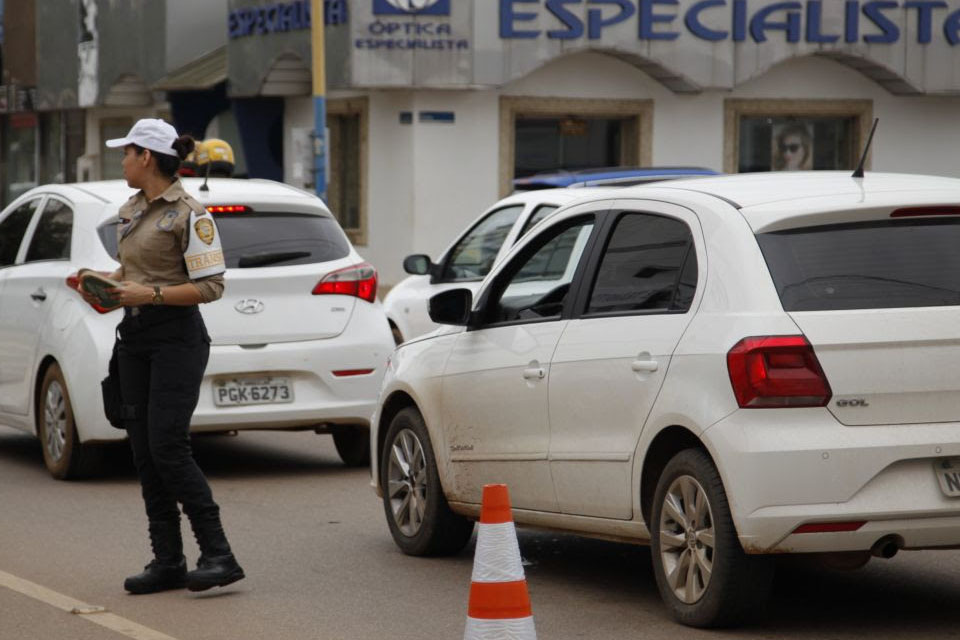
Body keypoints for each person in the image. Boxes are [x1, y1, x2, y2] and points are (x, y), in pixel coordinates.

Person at [76, 118, 244, 594]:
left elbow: (211, 287)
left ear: (146, 157)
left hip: (177, 341)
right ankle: (167, 560)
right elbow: (137, 272)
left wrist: (145, 295)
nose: (122, 160)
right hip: (135, 341)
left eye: (126, 152)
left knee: (169, 446)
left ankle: (219, 554)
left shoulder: (191, 214)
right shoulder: (133, 208)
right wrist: (105, 286)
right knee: (145, 452)